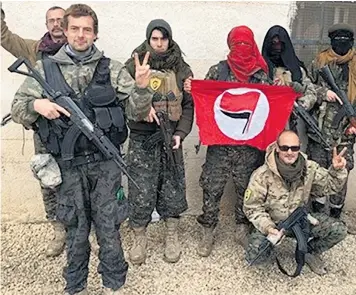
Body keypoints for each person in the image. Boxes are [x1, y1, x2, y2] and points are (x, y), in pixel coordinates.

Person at [11, 4, 153, 295]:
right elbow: (18, 109)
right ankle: (75, 286)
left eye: (87, 29)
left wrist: (141, 87)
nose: (80, 35)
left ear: (95, 34)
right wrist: (37, 105)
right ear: (65, 30)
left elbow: (137, 112)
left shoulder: (111, 68)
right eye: (74, 28)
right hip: (68, 166)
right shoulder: (45, 68)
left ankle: (114, 283)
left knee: (109, 228)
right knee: (75, 230)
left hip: (105, 165)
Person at [187, 25, 270, 257]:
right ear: (230, 46)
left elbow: (270, 103)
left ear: (251, 45)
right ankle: (208, 230)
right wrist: (193, 89)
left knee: (247, 190)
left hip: (249, 148)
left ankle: (242, 228)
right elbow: (202, 98)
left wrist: (288, 92)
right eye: (237, 44)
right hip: (220, 147)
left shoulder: (260, 75)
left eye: (245, 44)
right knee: (212, 188)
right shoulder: (219, 70)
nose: (241, 49)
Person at [124, 19, 194, 265]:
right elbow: (123, 99)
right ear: (148, 39)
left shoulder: (182, 68)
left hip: (170, 136)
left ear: (169, 39)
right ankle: (139, 237)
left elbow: (188, 105)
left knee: (173, 184)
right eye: (154, 38)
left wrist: (181, 133)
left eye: (163, 38)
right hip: (143, 139)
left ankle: (172, 235)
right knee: (141, 189)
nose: (159, 43)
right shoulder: (134, 64)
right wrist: (143, 108)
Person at [1, 4, 67, 257]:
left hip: (71, 128)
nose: (56, 24)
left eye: (61, 19)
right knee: (48, 178)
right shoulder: (34, 49)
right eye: (51, 20)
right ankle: (58, 229)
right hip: (44, 129)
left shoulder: (76, 50)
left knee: (75, 179)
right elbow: (4, 37)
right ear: (46, 24)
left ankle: (80, 229)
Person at [243, 130, 348, 275]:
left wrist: (337, 170)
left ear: (299, 147)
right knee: (254, 256)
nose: (290, 152)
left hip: (301, 221)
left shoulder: (309, 168)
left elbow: (331, 186)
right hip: (274, 224)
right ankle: (270, 248)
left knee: (339, 230)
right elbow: (252, 208)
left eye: (294, 148)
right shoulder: (262, 175)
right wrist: (268, 228)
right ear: (277, 148)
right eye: (285, 148)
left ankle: (309, 251)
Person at [307, 23, 356, 234]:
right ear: (331, 40)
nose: (342, 41)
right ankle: (317, 214)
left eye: (346, 38)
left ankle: (336, 215)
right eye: (338, 38)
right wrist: (321, 93)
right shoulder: (319, 61)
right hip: (319, 129)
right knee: (318, 171)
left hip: (345, 132)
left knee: (341, 173)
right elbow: (306, 85)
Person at [261, 25, 317, 152]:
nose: (277, 48)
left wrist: (298, 97)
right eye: (273, 44)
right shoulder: (260, 70)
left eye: (280, 44)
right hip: (266, 127)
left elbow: (311, 94)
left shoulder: (297, 70)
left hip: (293, 125)